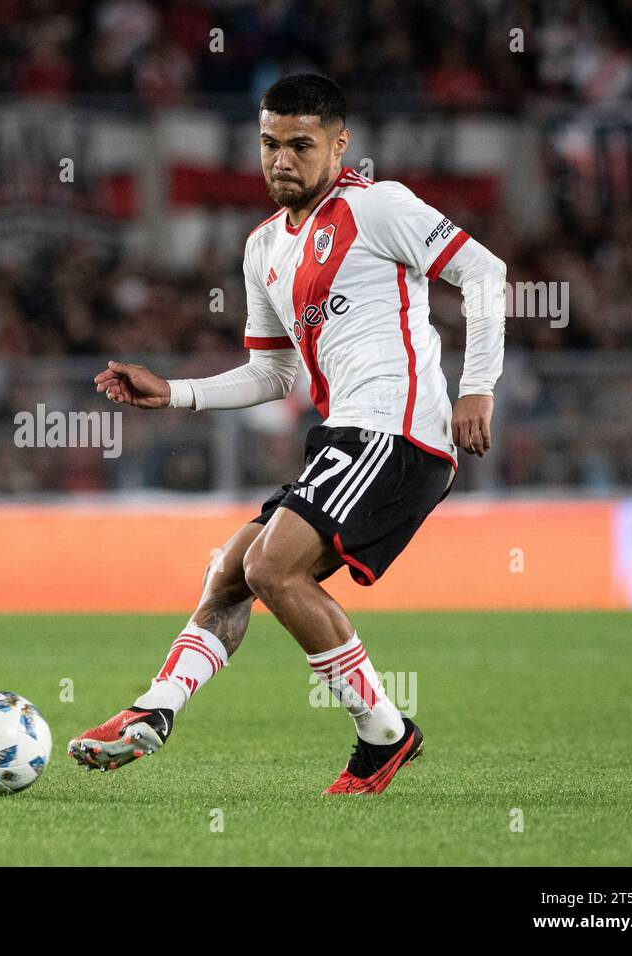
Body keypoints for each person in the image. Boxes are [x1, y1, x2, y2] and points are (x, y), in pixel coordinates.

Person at [68, 74, 506, 794]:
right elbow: (271, 376)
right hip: (345, 436)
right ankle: (156, 710)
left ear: (339, 145)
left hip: (398, 431)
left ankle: (384, 736)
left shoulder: (379, 207)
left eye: (301, 145)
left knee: (274, 568)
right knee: (234, 570)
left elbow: (485, 274)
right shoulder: (264, 247)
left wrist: (478, 385)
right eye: (270, 144)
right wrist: (174, 393)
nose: (282, 160)